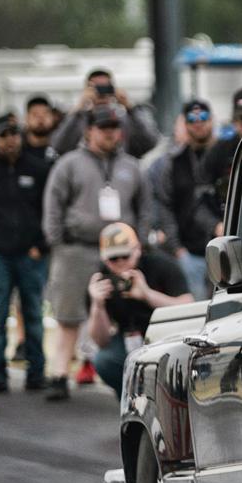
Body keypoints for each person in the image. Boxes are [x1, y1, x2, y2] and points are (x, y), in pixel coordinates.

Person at [42, 103, 147, 401]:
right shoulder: (69, 163)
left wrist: (140, 244)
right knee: (68, 314)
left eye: (115, 128)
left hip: (121, 253)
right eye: (104, 128)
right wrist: (57, 240)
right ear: (89, 130)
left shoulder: (130, 165)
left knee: (123, 311)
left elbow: (144, 207)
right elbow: (53, 204)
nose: (111, 134)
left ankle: (119, 374)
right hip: (76, 247)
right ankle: (60, 373)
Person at [0, 113, 51, 393]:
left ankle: (37, 372)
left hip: (30, 253)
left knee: (33, 314)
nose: (10, 140)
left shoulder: (37, 168)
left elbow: (49, 210)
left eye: (14, 134)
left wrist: (41, 244)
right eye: (4, 135)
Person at [85, 223, 192, 397]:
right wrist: (98, 305)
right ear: (104, 258)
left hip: (167, 336)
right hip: (130, 338)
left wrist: (147, 295)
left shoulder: (161, 265)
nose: (120, 263)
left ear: (138, 250)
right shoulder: (101, 280)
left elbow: (188, 307)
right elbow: (101, 341)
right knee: (104, 359)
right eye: (113, 258)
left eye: (125, 256)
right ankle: (132, 400)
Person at [149, 99, 219, 301]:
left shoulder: (225, 154)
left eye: (203, 117)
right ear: (185, 124)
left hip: (226, 248)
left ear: (212, 120)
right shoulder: (173, 162)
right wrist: (176, 248)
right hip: (190, 252)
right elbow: (164, 205)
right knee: (197, 312)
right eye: (192, 119)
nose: (198, 122)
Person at [50, 68, 160, 159]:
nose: (101, 93)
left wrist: (129, 108)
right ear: (86, 90)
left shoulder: (123, 119)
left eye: (106, 87)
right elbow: (58, 145)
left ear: (113, 89)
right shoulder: (79, 119)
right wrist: (79, 107)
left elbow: (151, 141)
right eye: (96, 88)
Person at [22, 95, 60, 166]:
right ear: (27, 118)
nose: (40, 119)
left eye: (45, 114)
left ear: (52, 117)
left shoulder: (61, 148)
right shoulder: (18, 150)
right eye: (35, 115)